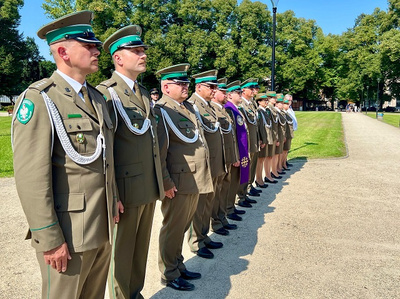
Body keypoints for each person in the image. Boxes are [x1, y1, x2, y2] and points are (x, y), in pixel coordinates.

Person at [12, 11, 120, 299]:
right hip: (69, 234)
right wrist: (49, 237)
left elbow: (104, 160)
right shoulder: (39, 98)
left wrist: (115, 199)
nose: (97, 51)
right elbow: (31, 177)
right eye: (89, 46)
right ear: (62, 51)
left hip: (101, 225)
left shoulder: (96, 97)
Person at [97, 25, 163, 299]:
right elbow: (105, 151)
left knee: (139, 250)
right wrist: (113, 194)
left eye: (143, 50)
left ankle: (134, 294)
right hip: (125, 188)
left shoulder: (143, 92)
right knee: (122, 253)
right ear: (118, 58)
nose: (143, 55)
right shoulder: (106, 93)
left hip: (146, 184)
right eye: (136, 51)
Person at [154, 63, 213, 291]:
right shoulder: (162, 111)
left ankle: (178, 265)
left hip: (193, 178)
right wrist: (166, 182)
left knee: (183, 226)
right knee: (172, 228)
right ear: (166, 87)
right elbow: (159, 152)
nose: (185, 86)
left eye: (186, 83)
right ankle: (169, 273)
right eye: (180, 83)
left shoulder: (185, 107)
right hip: (178, 181)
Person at [187, 70, 226, 259]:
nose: (214, 90)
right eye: (211, 87)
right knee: (200, 205)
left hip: (214, 162)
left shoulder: (208, 106)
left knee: (208, 202)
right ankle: (196, 241)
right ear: (199, 87)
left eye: (215, 87)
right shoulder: (194, 106)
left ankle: (203, 235)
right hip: (203, 164)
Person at [210, 78, 240, 235]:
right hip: (219, 157)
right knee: (217, 192)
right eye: (223, 91)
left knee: (224, 189)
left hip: (227, 156)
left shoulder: (223, 110)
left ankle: (221, 218)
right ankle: (215, 221)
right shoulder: (212, 109)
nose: (226, 94)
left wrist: (234, 155)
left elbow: (231, 136)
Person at [224, 80, 250, 221]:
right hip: (236, 152)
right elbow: (233, 134)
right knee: (232, 181)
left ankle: (231, 207)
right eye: (238, 93)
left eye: (241, 92)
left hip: (241, 149)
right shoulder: (229, 109)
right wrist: (236, 155)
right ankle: (228, 208)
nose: (241, 95)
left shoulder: (236, 108)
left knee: (235, 181)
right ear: (230, 95)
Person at [236, 78, 261, 208]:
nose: (253, 91)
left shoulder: (251, 104)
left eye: (254, 88)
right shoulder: (241, 105)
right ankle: (242, 192)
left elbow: (255, 124)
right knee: (246, 166)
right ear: (243, 90)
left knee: (252, 165)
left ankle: (249, 187)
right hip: (247, 141)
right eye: (251, 89)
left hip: (253, 139)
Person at [263, 91, 279, 184]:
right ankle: (268, 175)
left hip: (273, 134)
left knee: (270, 156)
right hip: (269, 135)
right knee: (268, 156)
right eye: (273, 98)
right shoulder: (268, 109)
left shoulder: (271, 109)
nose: (275, 99)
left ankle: (269, 174)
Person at [254, 93, 269, 188]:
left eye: (267, 100)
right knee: (259, 160)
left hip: (264, 137)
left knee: (262, 159)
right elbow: (259, 127)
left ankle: (260, 178)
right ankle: (258, 179)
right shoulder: (259, 111)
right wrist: (260, 139)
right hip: (261, 138)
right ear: (259, 102)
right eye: (264, 100)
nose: (266, 102)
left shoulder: (264, 111)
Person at [282, 98, 294, 170]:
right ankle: (282, 165)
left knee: (286, 150)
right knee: (284, 151)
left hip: (288, 134)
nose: (288, 105)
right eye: (286, 104)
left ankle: (283, 164)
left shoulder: (286, 112)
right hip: (285, 134)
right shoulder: (283, 113)